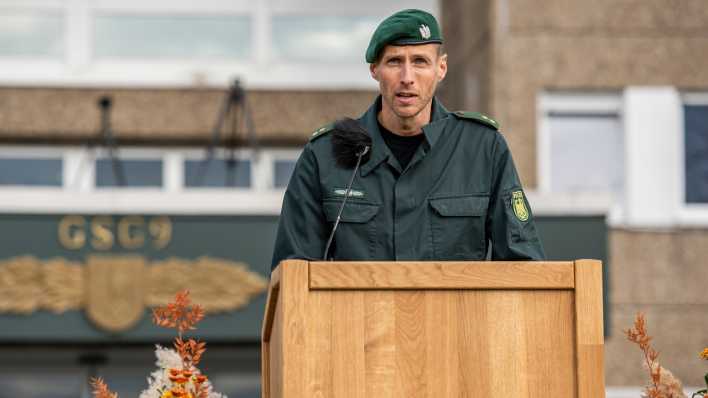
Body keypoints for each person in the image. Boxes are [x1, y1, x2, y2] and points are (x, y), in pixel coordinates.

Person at [271, 9, 544, 270]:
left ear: (442, 68)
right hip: (359, 320)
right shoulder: (325, 155)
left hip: (456, 319)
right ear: (374, 69)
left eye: (420, 61)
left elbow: (523, 266)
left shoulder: (483, 149)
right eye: (394, 62)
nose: (407, 78)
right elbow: (293, 276)